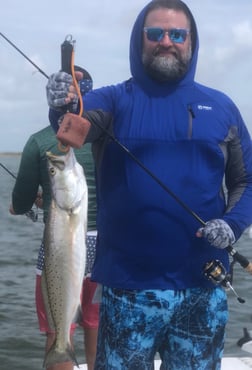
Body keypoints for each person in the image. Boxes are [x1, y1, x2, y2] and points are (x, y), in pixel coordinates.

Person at [46, 1, 252, 369]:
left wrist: (233, 224)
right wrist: (62, 102)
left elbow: (247, 180)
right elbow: (74, 122)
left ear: (192, 41)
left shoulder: (222, 108)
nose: (166, 41)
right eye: (155, 33)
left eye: (177, 34)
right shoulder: (112, 100)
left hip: (202, 290)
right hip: (127, 290)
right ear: (139, 40)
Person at [9, 68, 99, 370]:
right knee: (97, 325)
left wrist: (29, 201)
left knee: (60, 329)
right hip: (107, 248)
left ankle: (60, 351)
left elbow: (20, 203)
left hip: (60, 244)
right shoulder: (104, 139)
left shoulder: (39, 142)